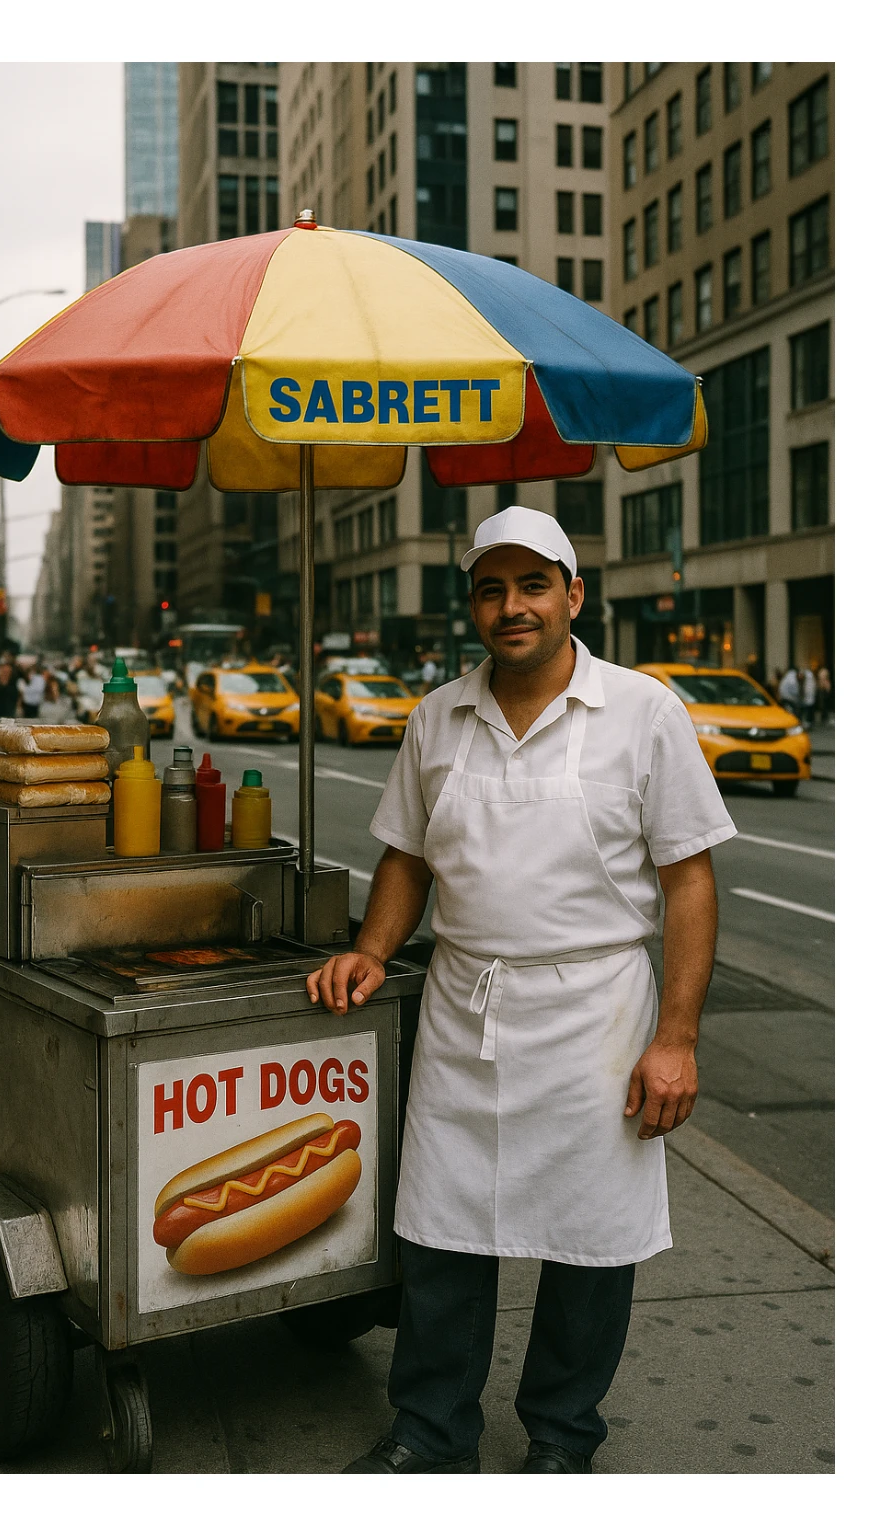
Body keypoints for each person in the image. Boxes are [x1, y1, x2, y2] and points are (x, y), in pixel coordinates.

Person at [307, 506, 737, 1476]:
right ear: (471, 604)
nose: (512, 607)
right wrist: (374, 950)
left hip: (599, 1015)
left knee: (590, 1241)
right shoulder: (437, 717)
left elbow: (689, 882)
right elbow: (408, 857)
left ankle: (561, 1432)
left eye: (533, 585)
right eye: (491, 589)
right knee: (444, 1231)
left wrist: (676, 1038)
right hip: (467, 1005)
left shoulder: (642, 712)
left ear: (573, 595)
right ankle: (430, 1429)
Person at [0, 658, 21, 723]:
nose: (6, 674)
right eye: (4, 671)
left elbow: (16, 699)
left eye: (8, 672)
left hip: (10, 718)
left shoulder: (13, 685)